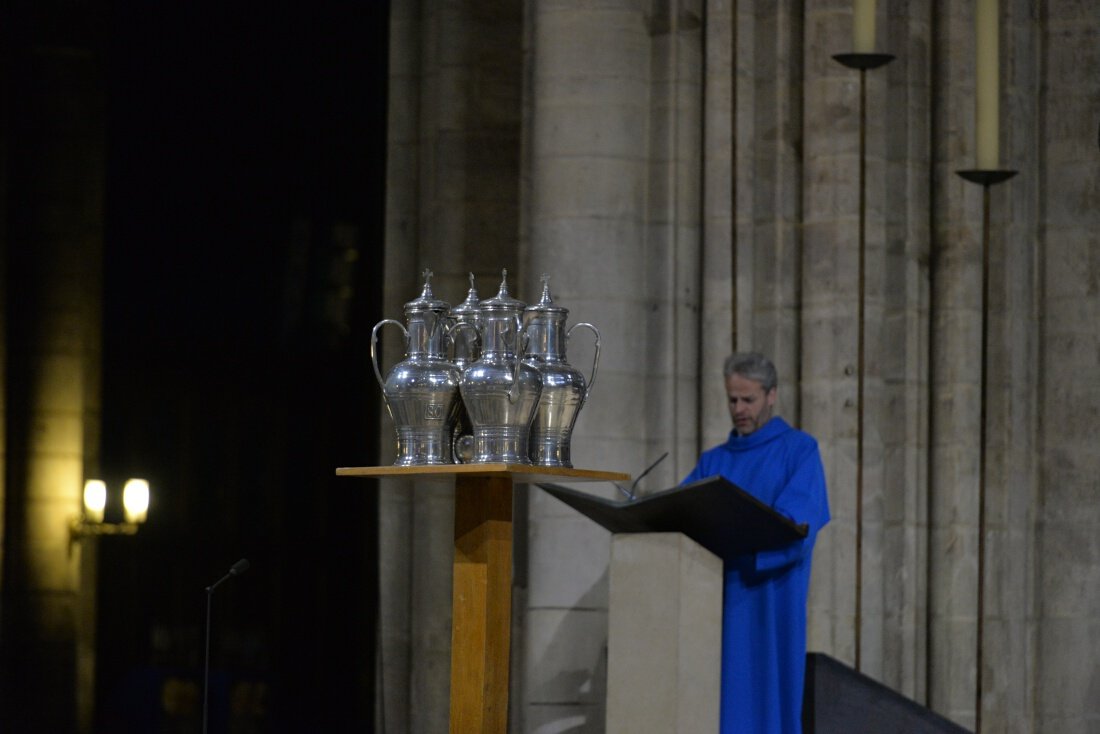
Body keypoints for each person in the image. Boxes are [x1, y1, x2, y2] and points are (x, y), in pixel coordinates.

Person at [682, 352, 830, 734]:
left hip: (769, 601)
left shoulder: (799, 451)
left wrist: (745, 553)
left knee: (766, 707)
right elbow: (679, 513)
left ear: (771, 395)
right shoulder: (713, 462)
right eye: (732, 399)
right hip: (712, 602)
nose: (739, 409)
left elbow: (797, 527)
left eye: (748, 399)